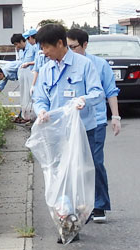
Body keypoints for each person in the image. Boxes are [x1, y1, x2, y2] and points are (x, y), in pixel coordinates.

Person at [32, 24, 104, 243]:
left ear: (60, 43)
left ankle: (75, 220)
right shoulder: (46, 69)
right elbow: (39, 97)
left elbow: (97, 92)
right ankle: (66, 222)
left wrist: (84, 99)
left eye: (46, 47)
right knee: (58, 177)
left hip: (82, 131)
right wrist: (41, 110)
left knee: (77, 176)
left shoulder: (84, 65)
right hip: (55, 133)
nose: (43, 52)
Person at [67, 28, 121, 223]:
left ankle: (99, 205)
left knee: (95, 162)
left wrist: (115, 117)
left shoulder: (99, 64)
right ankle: (81, 205)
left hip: (96, 121)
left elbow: (110, 91)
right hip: (71, 124)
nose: (70, 51)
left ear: (85, 45)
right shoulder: (64, 64)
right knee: (76, 166)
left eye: (74, 47)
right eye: (68, 47)